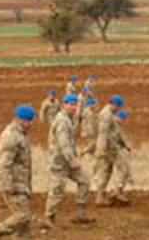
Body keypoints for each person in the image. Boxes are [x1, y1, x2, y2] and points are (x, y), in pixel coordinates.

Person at [43, 93, 96, 228]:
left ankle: (80, 212)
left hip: (68, 161)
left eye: (75, 104)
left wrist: (72, 160)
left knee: (84, 180)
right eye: (71, 104)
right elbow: (64, 145)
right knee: (57, 190)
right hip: (59, 162)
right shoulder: (62, 121)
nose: (73, 107)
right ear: (65, 105)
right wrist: (73, 162)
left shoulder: (69, 119)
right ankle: (49, 218)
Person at [0, 104, 36, 240]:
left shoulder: (21, 135)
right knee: (23, 215)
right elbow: (4, 164)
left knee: (24, 224)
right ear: (20, 119)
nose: (31, 123)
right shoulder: (11, 136)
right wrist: (7, 185)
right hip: (14, 184)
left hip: (21, 183)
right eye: (29, 120)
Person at [93, 95, 127, 206]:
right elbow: (103, 133)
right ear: (115, 104)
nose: (119, 108)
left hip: (109, 147)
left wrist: (124, 144)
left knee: (106, 171)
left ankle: (100, 197)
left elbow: (115, 132)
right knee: (123, 168)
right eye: (119, 106)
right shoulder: (106, 115)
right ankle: (116, 190)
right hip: (110, 148)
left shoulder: (109, 114)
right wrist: (102, 149)